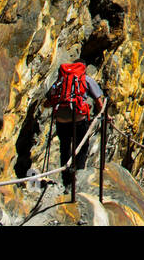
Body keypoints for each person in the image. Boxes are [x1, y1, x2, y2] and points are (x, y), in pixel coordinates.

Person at [42, 58, 105, 189]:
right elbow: (99, 102)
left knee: (65, 148)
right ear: (84, 67)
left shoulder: (62, 79)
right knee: (82, 147)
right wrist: (106, 115)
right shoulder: (86, 79)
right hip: (78, 119)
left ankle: (66, 181)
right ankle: (79, 178)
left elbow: (48, 101)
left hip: (61, 119)